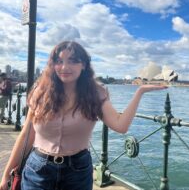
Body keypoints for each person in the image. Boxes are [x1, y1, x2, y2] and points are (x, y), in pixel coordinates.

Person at [0, 41, 167, 190]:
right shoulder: (40, 92)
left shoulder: (96, 93)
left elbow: (120, 125)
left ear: (84, 65)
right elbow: (27, 135)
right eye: (59, 61)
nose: (65, 67)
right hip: (38, 169)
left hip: (77, 170)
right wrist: (7, 172)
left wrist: (140, 92)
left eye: (73, 61)